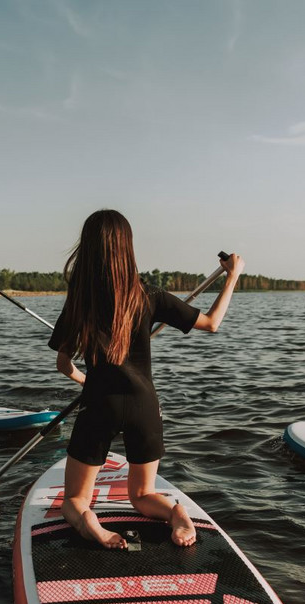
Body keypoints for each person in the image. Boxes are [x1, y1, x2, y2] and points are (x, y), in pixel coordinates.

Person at [49, 209, 244, 550]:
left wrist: (85, 381)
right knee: (142, 495)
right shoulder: (150, 296)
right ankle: (176, 514)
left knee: (75, 500)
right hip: (144, 405)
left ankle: (89, 521)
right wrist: (232, 277)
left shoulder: (80, 301)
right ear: (127, 247)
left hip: (99, 405)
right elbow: (212, 323)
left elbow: (63, 363)